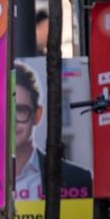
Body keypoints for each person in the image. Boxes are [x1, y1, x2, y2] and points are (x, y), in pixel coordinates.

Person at [13, 61, 92, 200]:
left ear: (37, 114)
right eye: (4, 111)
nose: (12, 121)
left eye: (20, 110)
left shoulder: (77, 179)